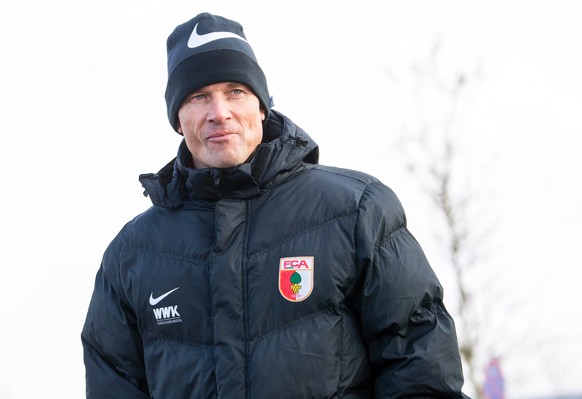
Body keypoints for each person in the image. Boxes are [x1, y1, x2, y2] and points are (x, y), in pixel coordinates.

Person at [81, 12, 469, 399]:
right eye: (199, 96)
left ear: (262, 106)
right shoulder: (132, 255)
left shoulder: (356, 212)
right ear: (178, 120)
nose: (220, 112)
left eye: (235, 91)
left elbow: (422, 372)